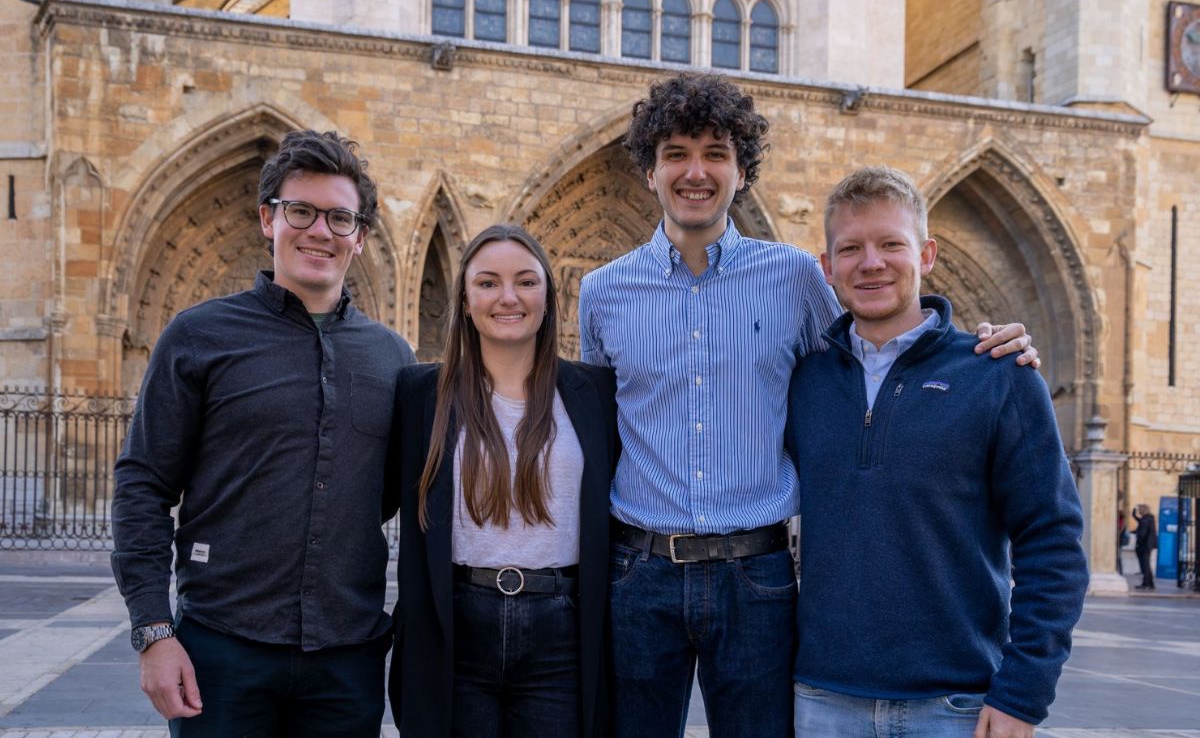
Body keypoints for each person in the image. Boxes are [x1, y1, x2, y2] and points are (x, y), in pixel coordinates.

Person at [577, 72, 1039, 737]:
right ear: (649, 172)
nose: (695, 171)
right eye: (675, 153)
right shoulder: (603, 292)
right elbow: (601, 426)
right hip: (639, 572)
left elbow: (870, 348)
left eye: (716, 152)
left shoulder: (795, 276)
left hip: (758, 576)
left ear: (742, 171)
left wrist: (974, 349)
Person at [110, 130, 415, 735]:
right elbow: (142, 484)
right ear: (266, 219)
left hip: (346, 655)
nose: (319, 231)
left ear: (360, 238)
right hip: (221, 650)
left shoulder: (393, 358)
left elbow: (394, 495)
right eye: (300, 211)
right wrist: (153, 632)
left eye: (339, 217)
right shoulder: (199, 336)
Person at [785, 165, 1089, 737]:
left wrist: (1023, 695)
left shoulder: (998, 374)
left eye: (890, 244)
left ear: (925, 255)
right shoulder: (803, 382)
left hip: (957, 709)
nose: (870, 262)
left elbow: (1054, 543)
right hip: (823, 703)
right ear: (826, 269)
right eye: (850, 248)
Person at [389, 224, 618, 738]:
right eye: (488, 283)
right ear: (466, 301)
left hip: (561, 630)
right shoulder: (420, 395)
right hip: (456, 627)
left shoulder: (596, 393)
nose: (508, 297)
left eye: (526, 282)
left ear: (548, 297)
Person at [1133, 503, 1157, 590]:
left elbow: (1142, 534)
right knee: (1146, 565)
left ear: (1143, 510)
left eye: (1139, 509)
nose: (1139, 511)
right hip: (1148, 546)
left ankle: (1146, 584)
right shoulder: (1148, 518)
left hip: (1144, 546)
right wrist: (1134, 514)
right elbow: (1139, 521)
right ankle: (1150, 584)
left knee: (1145, 566)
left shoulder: (1145, 520)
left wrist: (1138, 538)